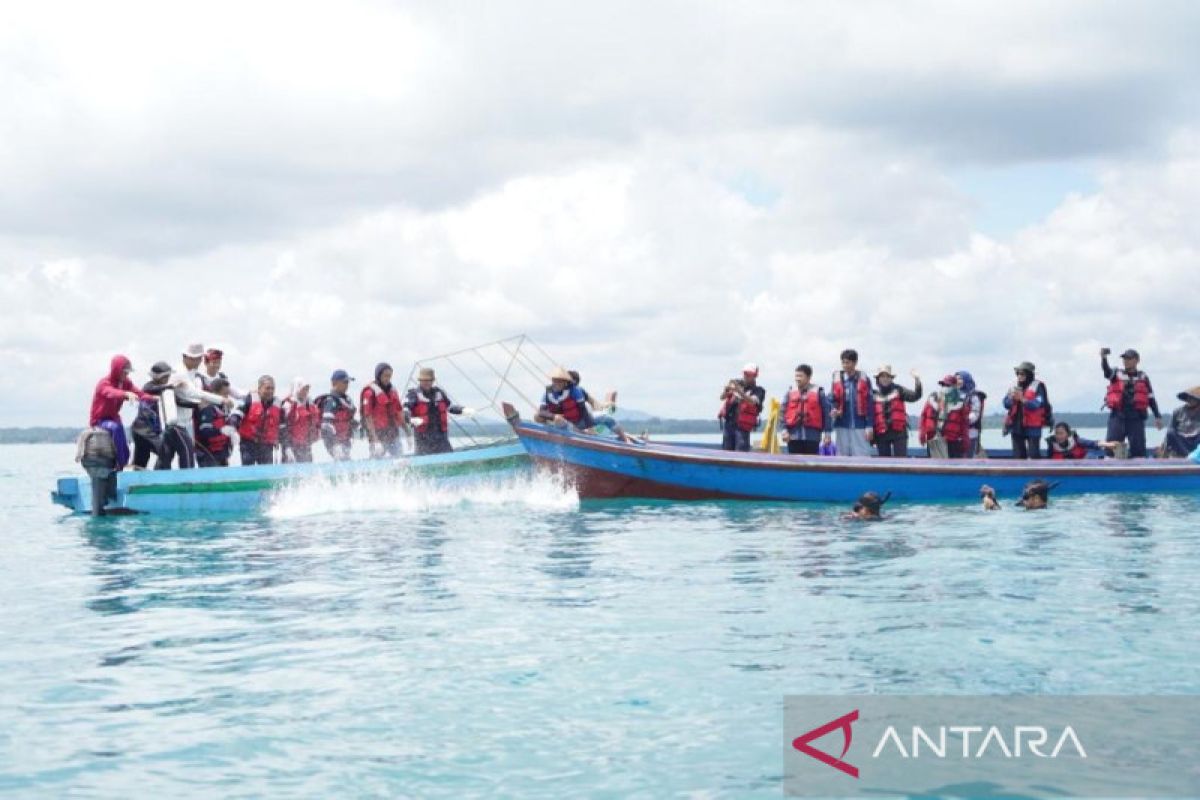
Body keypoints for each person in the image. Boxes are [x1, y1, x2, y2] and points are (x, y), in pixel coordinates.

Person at [160, 343, 235, 469]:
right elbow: (194, 392)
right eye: (198, 359)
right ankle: (188, 484)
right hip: (176, 424)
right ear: (188, 358)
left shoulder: (192, 373)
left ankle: (160, 481)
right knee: (187, 453)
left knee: (166, 456)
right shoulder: (179, 373)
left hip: (184, 424)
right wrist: (221, 400)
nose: (200, 362)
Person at [88, 354, 151, 471]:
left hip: (114, 418)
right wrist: (125, 394)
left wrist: (153, 398)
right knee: (115, 428)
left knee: (123, 439)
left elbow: (139, 394)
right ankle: (119, 465)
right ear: (117, 370)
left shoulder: (126, 383)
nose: (126, 375)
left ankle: (124, 462)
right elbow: (110, 392)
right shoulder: (104, 383)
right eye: (125, 372)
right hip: (99, 420)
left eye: (128, 373)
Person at [1101, 348, 1163, 458]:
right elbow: (1106, 372)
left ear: (1137, 360)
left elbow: (1151, 398)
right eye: (1124, 359)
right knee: (1111, 447)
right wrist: (1104, 358)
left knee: (1138, 449)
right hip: (1118, 416)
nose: (1126, 361)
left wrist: (1157, 416)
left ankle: (1139, 469)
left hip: (1136, 417)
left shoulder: (1143, 377)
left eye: (1129, 358)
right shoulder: (1116, 374)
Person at [405, 366, 476, 455]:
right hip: (423, 439)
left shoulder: (439, 393)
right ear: (420, 381)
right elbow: (404, 410)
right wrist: (411, 420)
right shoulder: (413, 395)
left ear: (432, 381)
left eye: (429, 380)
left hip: (441, 437)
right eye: (424, 380)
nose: (426, 383)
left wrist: (462, 410)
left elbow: (449, 407)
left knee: (449, 457)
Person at [228, 375, 283, 466]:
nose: (270, 391)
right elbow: (236, 416)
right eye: (267, 388)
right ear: (259, 388)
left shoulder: (278, 404)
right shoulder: (249, 399)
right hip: (248, 444)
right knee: (248, 470)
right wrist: (233, 430)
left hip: (267, 445)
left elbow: (283, 426)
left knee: (267, 473)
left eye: (272, 389)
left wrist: (284, 444)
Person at [780, 364, 832, 455]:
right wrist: (784, 431)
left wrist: (827, 434)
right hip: (793, 436)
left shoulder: (819, 392)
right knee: (794, 464)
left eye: (800, 376)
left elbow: (827, 414)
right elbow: (782, 412)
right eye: (796, 376)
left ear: (808, 377)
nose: (797, 379)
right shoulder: (789, 392)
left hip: (812, 437)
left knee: (812, 464)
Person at [831, 349, 875, 457]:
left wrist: (869, 426)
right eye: (843, 362)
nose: (845, 365)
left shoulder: (865, 380)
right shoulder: (837, 379)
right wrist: (834, 410)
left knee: (862, 455)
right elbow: (833, 399)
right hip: (842, 424)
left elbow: (869, 403)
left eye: (848, 362)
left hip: (860, 425)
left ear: (855, 363)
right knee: (841, 455)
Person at [131, 361, 174, 470]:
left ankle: (153, 476)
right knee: (164, 451)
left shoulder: (163, 390)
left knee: (143, 460)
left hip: (149, 431)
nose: (168, 378)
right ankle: (157, 477)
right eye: (166, 376)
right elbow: (153, 390)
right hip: (142, 429)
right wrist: (171, 386)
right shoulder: (148, 387)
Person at [871, 365, 922, 457]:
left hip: (899, 433)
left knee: (901, 461)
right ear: (878, 379)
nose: (885, 379)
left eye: (887, 376)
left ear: (891, 378)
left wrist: (917, 379)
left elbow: (916, 396)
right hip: (881, 434)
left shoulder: (899, 390)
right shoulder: (873, 394)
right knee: (883, 464)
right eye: (882, 376)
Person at [1003, 361, 1049, 459]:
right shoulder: (1013, 386)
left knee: (1034, 454)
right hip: (1016, 426)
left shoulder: (1038, 386)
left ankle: (1037, 474)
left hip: (1033, 427)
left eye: (1022, 374)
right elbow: (1006, 404)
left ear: (1029, 374)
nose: (1019, 376)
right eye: (1018, 373)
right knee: (1018, 455)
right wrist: (1011, 399)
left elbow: (1037, 404)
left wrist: (1022, 399)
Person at [361, 362, 409, 458]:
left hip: (393, 434)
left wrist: (408, 433)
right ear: (379, 375)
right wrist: (375, 440)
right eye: (385, 376)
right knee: (376, 463)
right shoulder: (369, 392)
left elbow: (399, 412)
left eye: (390, 376)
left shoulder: (393, 391)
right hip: (378, 436)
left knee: (401, 460)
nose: (387, 379)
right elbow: (368, 416)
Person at [918, 374, 970, 458]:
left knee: (952, 468)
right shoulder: (932, 399)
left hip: (952, 441)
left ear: (954, 386)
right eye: (943, 385)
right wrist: (922, 433)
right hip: (933, 440)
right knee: (933, 467)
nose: (945, 387)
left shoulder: (961, 403)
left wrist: (965, 438)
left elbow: (964, 423)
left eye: (948, 385)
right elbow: (923, 416)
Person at [717, 364, 766, 452]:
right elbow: (722, 397)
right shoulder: (737, 383)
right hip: (729, 425)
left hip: (743, 428)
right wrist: (727, 390)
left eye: (749, 374)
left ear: (755, 375)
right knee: (726, 452)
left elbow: (752, 401)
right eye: (745, 373)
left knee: (741, 451)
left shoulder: (759, 390)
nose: (746, 376)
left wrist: (739, 391)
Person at [195, 378, 234, 467]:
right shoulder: (208, 409)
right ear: (215, 394)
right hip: (208, 454)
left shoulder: (224, 408)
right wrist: (221, 431)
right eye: (224, 394)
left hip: (222, 452)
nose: (227, 397)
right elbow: (205, 431)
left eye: (228, 394)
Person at [280, 378, 321, 463]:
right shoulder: (288, 405)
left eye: (307, 389)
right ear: (297, 388)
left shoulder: (310, 404)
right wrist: (287, 447)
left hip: (306, 445)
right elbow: (283, 429)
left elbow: (316, 422)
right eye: (303, 389)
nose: (306, 392)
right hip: (291, 446)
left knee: (308, 471)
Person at [320, 369, 357, 461]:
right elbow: (326, 425)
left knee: (346, 461)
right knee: (341, 462)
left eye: (348, 382)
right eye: (344, 382)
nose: (347, 385)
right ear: (335, 383)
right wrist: (335, 444)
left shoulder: (347, 401)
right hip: (334, 443)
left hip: (345, 441)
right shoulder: (331, 401)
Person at [1045, 422, 1116, 460]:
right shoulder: (1052, 445)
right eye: (1057, 433)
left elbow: (1093, 443)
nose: (1059, 436)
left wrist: (1108, 444)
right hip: (1063, 470)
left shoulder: (1076, 440)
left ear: (1067, 434)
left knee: (1091, 456)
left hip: (1084, 463)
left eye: (1061, 433)